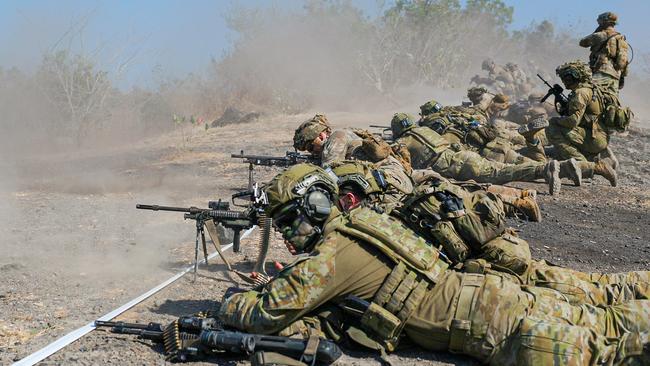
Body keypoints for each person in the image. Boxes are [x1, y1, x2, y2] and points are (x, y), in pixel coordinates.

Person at [218, 164, 650, 365]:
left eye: (289, 221)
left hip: (492, 325)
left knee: (607, 352)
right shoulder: (365, 223)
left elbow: (262, 315)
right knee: (608, 319)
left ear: (313, 206)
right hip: (493, 296)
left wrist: (229, 302)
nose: (290, 236)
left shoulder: (331, 256)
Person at [392, 112, 580, 195]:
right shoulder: (427, 130)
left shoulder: (402, 142)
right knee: (506, 168)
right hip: (465, 157)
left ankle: (545, 169)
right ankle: (561, 167)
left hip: (457, 166)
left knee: (504, 173)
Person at [545, 61, 618, 187]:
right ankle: (600, 158)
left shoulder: (581, 93)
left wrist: (555, 120)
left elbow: (572, 121)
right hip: (599, 136)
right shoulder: (591, 88)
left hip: (593, 137)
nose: (564, 81)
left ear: (576, 76)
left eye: (567, 78)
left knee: (552, 128)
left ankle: (584, 166)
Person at [579, 12, 630, 92]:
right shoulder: (621, 39)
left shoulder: (601, 35)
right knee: (610, 100)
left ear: (604, 22)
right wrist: (622, 76)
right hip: (616, 76)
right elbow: (623, 60)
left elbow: (582, 43)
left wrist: (596, 32)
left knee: (583, 90)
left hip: (601, 72)